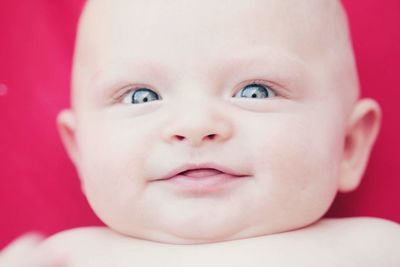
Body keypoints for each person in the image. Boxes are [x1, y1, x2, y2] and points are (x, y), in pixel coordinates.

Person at [1, 0, 399, 266]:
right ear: (80, 153)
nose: (195, 126)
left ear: (349, 146)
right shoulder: (62, 259)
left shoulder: (375, 250)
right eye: (141, 96)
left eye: (255, 91)